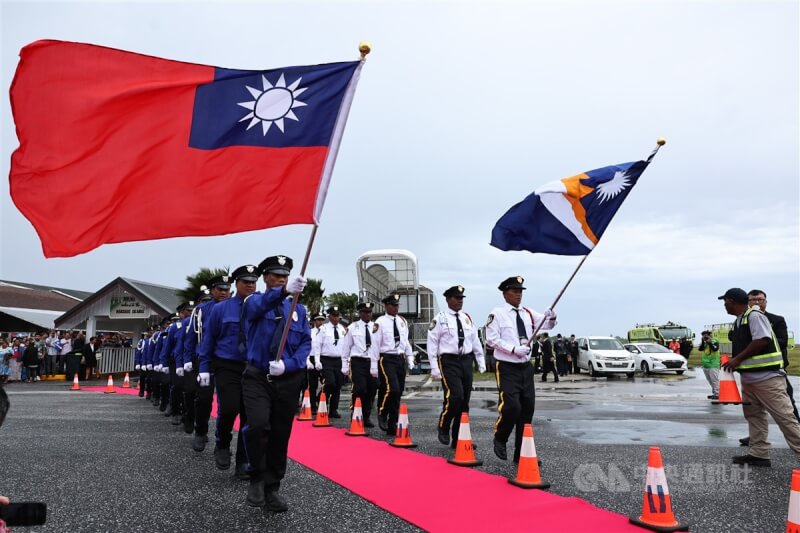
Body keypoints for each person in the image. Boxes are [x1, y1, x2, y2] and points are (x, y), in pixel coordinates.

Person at [241, 255, 309, 511]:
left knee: (281, 434)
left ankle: (272, 487)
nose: (281, 279)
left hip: (287, 379)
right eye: (275, 275)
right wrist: (281, 293)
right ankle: (256, 474)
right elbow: (257, 309)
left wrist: (289, 365)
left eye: (284, 276)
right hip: (258, 376)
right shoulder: (255, 302)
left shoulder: (298, 309)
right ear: (265, 278)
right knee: (258, 425)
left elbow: (305, 344)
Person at [719, 288, 800, 467]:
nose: (724, 305)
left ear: (732, 301)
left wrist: (737, 360)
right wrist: (733, 363)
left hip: (768, 379)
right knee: (754, 416)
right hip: (750, 379)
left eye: (725, 301)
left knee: (785, 418)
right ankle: (759, 453)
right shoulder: (739, 320)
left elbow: (762, 340)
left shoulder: (754, 316)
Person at [485, 276, 557, 461]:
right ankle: (500, 437)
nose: (518, 294)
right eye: (514, 291)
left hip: (525, 367)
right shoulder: (497, 314)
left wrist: (551, 315)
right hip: (507, 366)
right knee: (511, 407)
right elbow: (491, 339)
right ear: (505, 293)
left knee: (527, 410)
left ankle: (521, 452)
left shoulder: (528, 313)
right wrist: (513, 349)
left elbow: (548, 324)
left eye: (520, 291)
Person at [198, 265, 258, 478]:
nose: (250, 285)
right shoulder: (220, 308)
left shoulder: (260, 306)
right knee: (230, 408)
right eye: (245, 282)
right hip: (227, 365)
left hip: (252, 367)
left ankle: (243, 461)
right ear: (237, 284)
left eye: (253, 282)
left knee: (249, 416)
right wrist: (204, 367)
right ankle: (222, 443)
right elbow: (209, 339)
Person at [427, 285, 486, 447]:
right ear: (447, 299)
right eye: (456, 298)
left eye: (461, 298)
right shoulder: (440, 319)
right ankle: (443, 425)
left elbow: (474, 340)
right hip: (448, 361)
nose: (459, 301)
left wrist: (480, 360)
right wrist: (434, 367)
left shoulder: (467, 318)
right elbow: (432, 343)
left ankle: (458, 438)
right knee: (455, 396)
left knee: (464, 401)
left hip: (466, 361)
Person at [739, 289, 798, 447]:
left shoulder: (776, 319)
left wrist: (761, 339)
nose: (757, 303)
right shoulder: (744, 319)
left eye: (760, 300)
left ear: (766, 301)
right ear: (748, 302)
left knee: (786, 411)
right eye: (753, 300)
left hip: (772, 371)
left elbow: (782, 341)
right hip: (752, 373)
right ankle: (757, 444)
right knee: (755, 412)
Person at [185, 276, 231, 451]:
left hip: (227, 360)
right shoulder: (201, 310)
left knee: (226, 403)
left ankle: (222, 438)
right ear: (212, 291)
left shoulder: (236, 307)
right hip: (206, 359)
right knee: (204, 398)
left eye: (226, 289)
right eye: (220, 289)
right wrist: (188, 359)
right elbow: (191, 337)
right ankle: (201, 431)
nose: (223, 292)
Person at [374, 293, 415, 436]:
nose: (395, 308)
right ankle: (382, 411)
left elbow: (405, 342)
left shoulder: (402, 321)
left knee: (398, 393)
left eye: (397, 305)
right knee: (393, 389)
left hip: (399, 359)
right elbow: (375, 345)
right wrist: (374, 365)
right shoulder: (380, 322)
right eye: (392, 305)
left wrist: (409, 358)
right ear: (386, 306)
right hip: (386, 358)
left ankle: (392, 424)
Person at [340, 302, 378, 428]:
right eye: (365, 312)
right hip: (358, 362)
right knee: (359, 389)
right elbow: (346, 347)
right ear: (360, 313)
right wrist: (344, 364)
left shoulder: (376, 327)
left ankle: (366, 416)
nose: (368, 314)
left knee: (372, 389)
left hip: (372, 362)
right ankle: (356, 414)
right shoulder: (352, 327)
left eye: (369, 312)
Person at [314, 306, 347, 419]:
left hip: (338, 360)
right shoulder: (323, 329)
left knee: (337, 385)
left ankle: (333, 409)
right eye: (334, 315)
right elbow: (317, 345)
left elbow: (345, 347)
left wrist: (346, 361)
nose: (336, 317)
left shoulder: (342, 329)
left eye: (338, 315)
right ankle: (321, 399)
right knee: (330, 383)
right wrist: (317, 360)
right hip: (326, 359)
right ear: (329, 316)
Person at [305, 313, 326, 415]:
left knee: (326, 382)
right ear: (314, 321)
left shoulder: (326, 332)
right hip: (312, 358)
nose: (320, 322)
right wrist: (307, 360)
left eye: (322, 320)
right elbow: (306, 346)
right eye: (318, 320)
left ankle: (322, 401)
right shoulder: (309, 332)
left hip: (323, 358)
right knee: (312, 384)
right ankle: (312, 405)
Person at [698, 330, 720, 399]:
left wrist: (709, 342)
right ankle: (714, 392)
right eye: (703, 335)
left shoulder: (715, 340)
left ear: (710, 335)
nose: (705, 336)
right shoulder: (704, 342)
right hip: (706, 364)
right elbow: (700, 349)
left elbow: (715, 349)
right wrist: (703, 341)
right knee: (710, 380)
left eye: (706, 335)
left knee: (714, 379)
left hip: (713, 363)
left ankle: (718, 393)